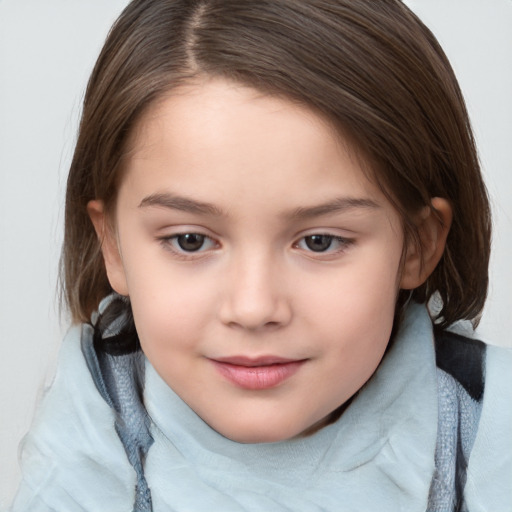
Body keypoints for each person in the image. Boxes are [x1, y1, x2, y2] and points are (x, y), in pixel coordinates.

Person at [10, 0, 511, 511]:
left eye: (320, 241)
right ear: (112, 244)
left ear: (418, 244)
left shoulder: (486, 430)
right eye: (190, 240)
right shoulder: (91, 426)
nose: (253, 308)